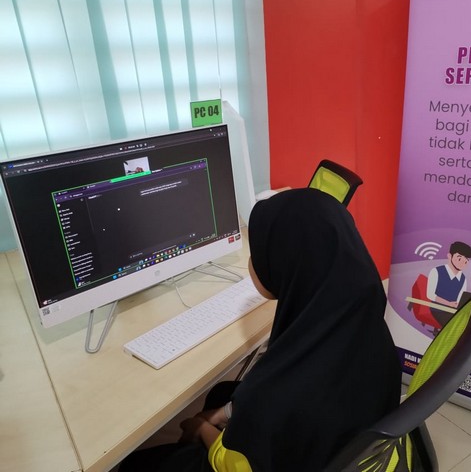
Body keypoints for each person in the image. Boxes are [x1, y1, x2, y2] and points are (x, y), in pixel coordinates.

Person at [119, 188, 401, 472]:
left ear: (285, 263)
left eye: (257, 252)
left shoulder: (272, 400)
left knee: (134, 463)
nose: (252, 262)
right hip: (333, 444)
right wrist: (227, 412)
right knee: (222, 393)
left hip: (256, 461)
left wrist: (201, 428)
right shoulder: (369, 333)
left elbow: (234, 464)